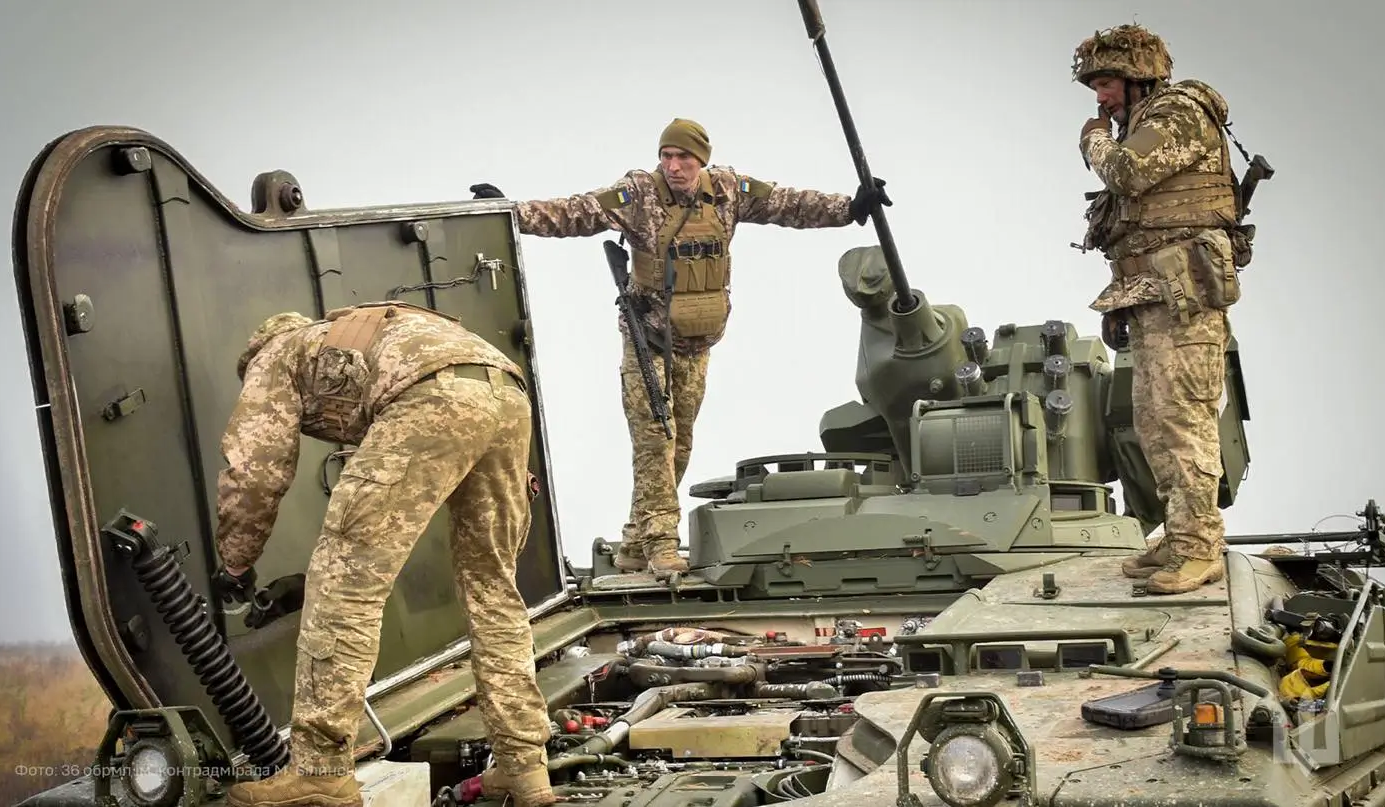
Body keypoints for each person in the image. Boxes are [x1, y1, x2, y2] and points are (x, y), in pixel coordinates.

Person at [468, 118, 891, 576]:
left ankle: (634, 541)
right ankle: (661, 544)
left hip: (695, 342)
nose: (672, 166)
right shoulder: (640, 195)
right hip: (646, 338)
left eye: (683, 157)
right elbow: (579, 212)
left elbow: (787, 204)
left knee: (680, 444)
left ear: (701, 160)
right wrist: (512, 211)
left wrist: (850, 207)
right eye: (666, 156)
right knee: (655, 440)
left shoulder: (728, 189)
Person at [212, 302, 555, 807]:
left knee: (345, 584)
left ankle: (320, 771)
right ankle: (524, 765)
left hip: (432, 397)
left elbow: (256, 470)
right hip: (506, 393)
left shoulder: (275, 354)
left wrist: (235, 561)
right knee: (493, 591)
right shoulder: (367, 332)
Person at [1072, 24, 1249, 595]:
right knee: (1152, 423)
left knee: (1182, 420)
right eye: (1095, 87)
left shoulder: (1179, 113)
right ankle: (1179, 537)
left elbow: (1126, 173)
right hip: (1155, 298)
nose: (1101, 99)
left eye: (1106, 84)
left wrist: (1092, 140)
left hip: (1186, 301)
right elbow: (1135, 228)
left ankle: (1200, 548)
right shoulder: (1146, 122)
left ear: (1138, 74)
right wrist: (1121, 302)